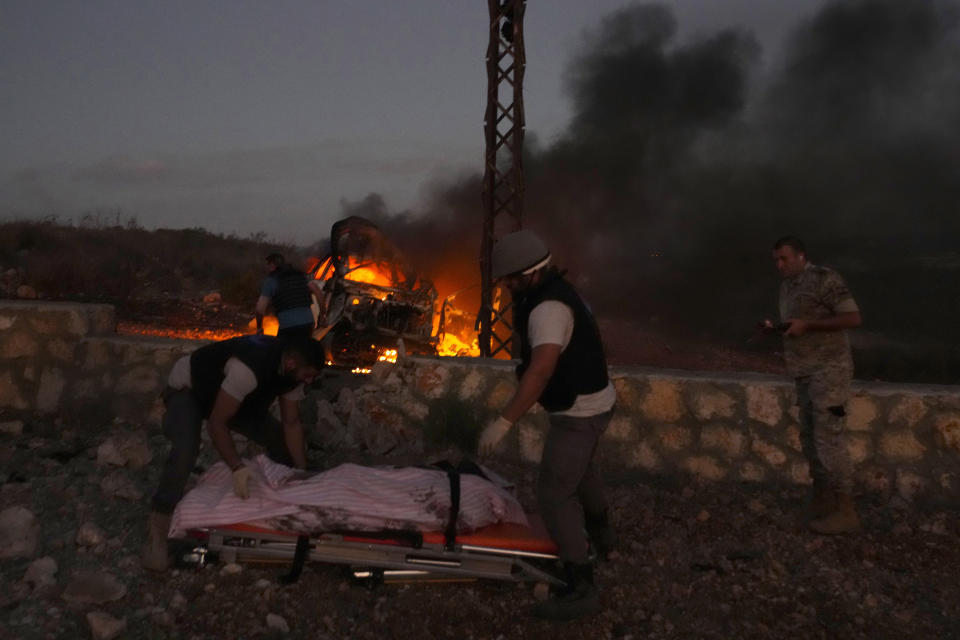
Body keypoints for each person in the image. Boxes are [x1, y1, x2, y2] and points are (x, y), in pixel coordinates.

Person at [478, 229, 616, 621]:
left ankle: (581, 586)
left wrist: (503, 422)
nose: (504, 285)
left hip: (580, 412)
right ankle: (605, 537)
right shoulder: (554, 292)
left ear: (530, 274)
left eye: (509, 279)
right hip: (594, 402)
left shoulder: (547, 309)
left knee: (554, 493)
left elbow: (540, 372)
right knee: (582, 470)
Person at [141, 334, 325, 571]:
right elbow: (217, 423)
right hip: (192, 390)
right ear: (291, 364)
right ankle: (159, 524)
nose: (309, 381)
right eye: (307, 375)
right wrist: (237, 467)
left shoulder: (292, 375)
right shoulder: (248, 368)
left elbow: (291, 423)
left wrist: (301, 471)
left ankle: (280, 502)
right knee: (186, 449)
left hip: (238, 399)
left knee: (278, 439)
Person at [765, 236, 862, 534]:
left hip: (829, 372)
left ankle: (846, 511)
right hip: (804, 373)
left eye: (784, 258)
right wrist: (778, 329)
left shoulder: (824, 279)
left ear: (801, 256)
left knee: (829, 440)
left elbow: (853, 317)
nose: (779, 265)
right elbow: (799, 324)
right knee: (810, 439)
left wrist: (809, 325)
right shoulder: (787, 287)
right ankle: (822, 499)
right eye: (776, 260)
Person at [255, 253, 320, 340]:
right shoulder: (300, 276)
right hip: (308, 324)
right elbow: (317, 291)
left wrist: (259, 327)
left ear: (272, 265)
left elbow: (260, 309)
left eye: (268, 265)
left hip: (288, 327)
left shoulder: (272, 280)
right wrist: (323, 314)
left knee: (282, 351)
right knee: (304, 350)